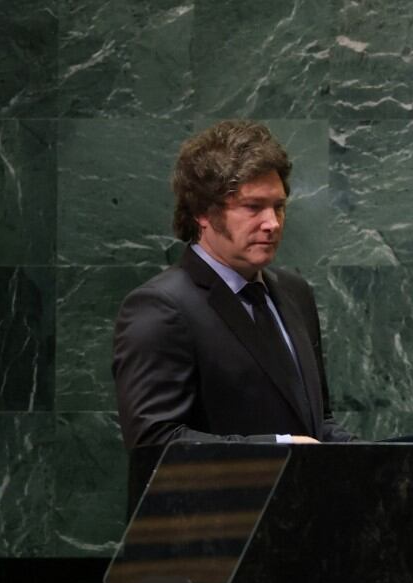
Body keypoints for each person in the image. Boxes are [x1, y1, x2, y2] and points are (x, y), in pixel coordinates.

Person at [112, 119, 355, 451]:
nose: (272, 223)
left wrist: (381, 459)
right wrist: (280, 447)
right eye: (253, 207)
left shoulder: (295, 293)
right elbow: (154, 443)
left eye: (279, 207)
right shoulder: (159, 307)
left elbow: (316, 423)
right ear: (202, 212)